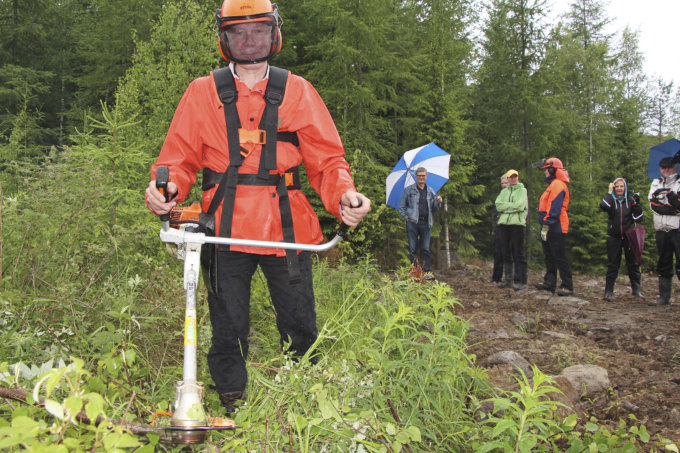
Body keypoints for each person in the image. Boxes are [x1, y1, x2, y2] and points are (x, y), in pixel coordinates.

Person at [145, 0, 371, 413]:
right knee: (227, 324)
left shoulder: (298, 90)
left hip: (288, 229)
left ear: (275, 33)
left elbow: (328, 161)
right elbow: (177, 160)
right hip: (223, 227)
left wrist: (344, 197)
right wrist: (166, 189)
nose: (249, 41)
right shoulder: (202, 92)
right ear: (223, 38)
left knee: (300, 322)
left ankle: (303, 401)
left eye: (258, 30)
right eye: (238, 32)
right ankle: (233, 401)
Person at [599, 178, 644, 300]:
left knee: (633, 264)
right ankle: (608, 291)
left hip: (629, 237)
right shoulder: (611, 200)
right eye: (617, 186)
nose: (619, 189)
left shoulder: (630, 200)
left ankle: (636, 290)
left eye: (621, 186)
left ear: (625, 188)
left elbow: (639, 218)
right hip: (614, 237)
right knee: (613, 264)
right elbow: (603, 206)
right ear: (614, 188)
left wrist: (636, 204)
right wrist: (609, 192)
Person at [535, 157, 573, 296]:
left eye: (546, 169)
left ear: (552, 170)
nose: (545, 172)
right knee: (549, 255)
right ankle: (550, 283)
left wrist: (547, 224)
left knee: (559, 255)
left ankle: (567, 285)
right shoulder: (553, 184)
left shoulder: (558, 184)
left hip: (556, 226)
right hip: (550, 225)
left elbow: (554, 208)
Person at [398, 167, 443, 280]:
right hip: (412, 223)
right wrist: (406, 218)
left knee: (425, 249)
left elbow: (434, 208)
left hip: (426, 223)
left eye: (423, 175)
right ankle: (414, 272)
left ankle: (426, 272)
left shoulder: (430, 191)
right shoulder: (408, 190)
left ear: (426, 177)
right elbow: (402, 206)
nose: (421, 177)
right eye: (419, 175)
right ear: (416, 177)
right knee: (413, 249)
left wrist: (438, 202)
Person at [648, 156, 680, 306]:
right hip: (661, 229)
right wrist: (673, 208)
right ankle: (664, 297)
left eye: (670, 167)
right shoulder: (656, 183)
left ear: (675, 167)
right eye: (663, 167)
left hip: (677, 229)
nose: (667, 170)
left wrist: (673, 204)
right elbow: (653, 206)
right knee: (664, 263)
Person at [495, 169, 528, 291]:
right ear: (508, 179)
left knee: (518, 253)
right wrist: (512, 207)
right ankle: (508, 279)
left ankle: (522, 281)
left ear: (517, 178)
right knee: (506, 252)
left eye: (515, 177)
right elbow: (498, 205)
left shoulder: (522, 190)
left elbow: (520, 206)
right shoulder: (504, 191)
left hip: (517, 225)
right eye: (511, 177)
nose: (513, 179)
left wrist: (506, 208)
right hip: (504, 224)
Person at [492, 174, 509, 283]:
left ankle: (509, 278)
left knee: (508, 254)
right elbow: (495, 213)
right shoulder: (500, 196)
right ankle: (496, 278)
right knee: (498, 253)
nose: (504, 185)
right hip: (499, 227)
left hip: (510, 227)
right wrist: (495, 225)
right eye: (502, 183)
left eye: (506, 183)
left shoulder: (514, 195)